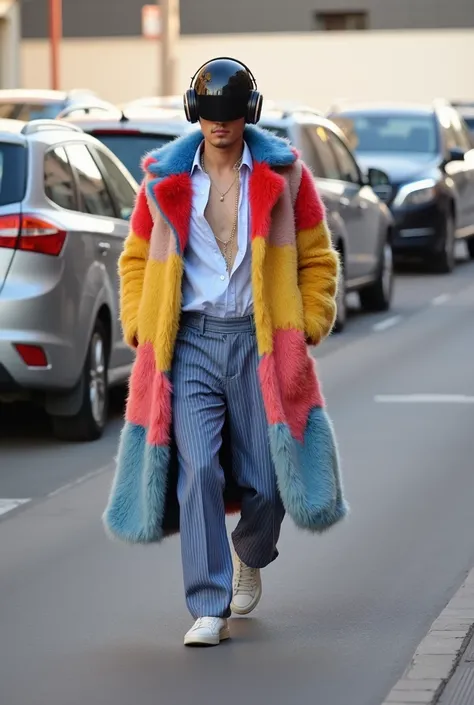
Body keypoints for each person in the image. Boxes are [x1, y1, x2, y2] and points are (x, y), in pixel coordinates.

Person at [103, 57, 348, 647]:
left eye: (231, 115)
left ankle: (251, 552)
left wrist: (310, 320)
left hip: (258, 344)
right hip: (188, 345)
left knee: (268, 479)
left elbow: (318, 258)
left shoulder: (285, 178)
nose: (220, 125)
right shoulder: (164, 180)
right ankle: (207, 606)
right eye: (210, 115)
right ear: (195, 114)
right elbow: (136, 260)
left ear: (249, 115)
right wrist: (139, 323)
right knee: (200, 471)